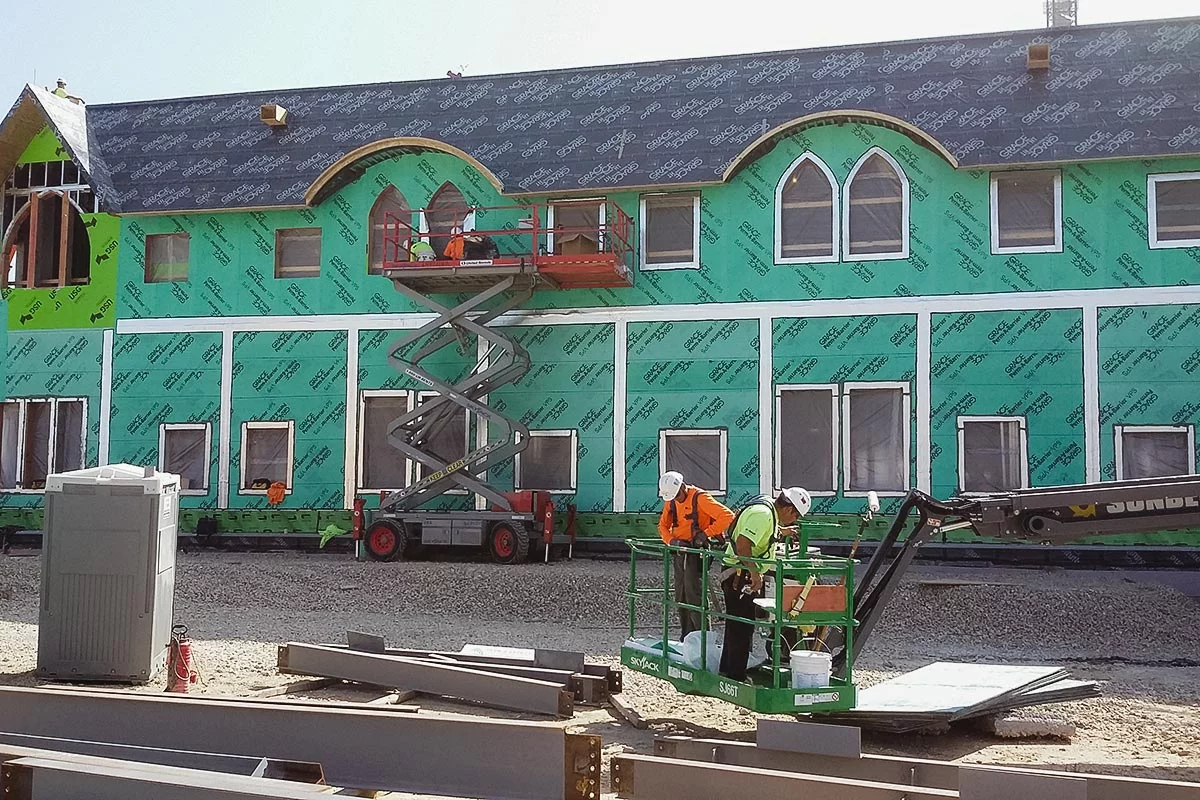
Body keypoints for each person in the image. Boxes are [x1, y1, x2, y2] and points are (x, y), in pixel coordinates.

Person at [717, 487, 811, 682]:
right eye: (796, 517)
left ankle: (727, 670)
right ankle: (736, 676)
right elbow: (743, 544)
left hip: (737, 573)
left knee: (737, 623)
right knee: (742, 626)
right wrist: (754, 573)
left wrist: (782, 531)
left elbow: (761, 532)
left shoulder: (767, 511)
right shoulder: (763, 515)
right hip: (739, 575)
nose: (794, 521)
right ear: (789, 510)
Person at [657, 471, 734, 638]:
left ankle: (702, 639)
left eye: (677, 495)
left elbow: (727, 516)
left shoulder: (700, 498)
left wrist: (706, 534)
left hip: (696, 553)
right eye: (673, 497)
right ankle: (687, 637)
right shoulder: (670, 501)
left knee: (694, 594)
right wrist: (672, 541)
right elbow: (662, 526)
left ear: (683, 487)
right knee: (681, 595)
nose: (676, 499)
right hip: (680, 552)